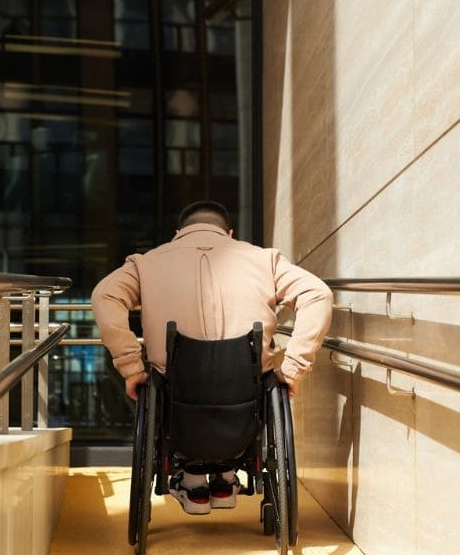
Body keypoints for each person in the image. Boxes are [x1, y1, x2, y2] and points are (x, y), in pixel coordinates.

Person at [91, 201, 333, 515]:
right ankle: (225, 478)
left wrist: (130, 366)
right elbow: (319, 294)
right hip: (246, 394)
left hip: (176, 394)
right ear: (229, 233)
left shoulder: (145, 263)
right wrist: (294, 366)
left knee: (157, 381)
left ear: (178, 234)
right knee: (258, 378)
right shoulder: (265, 260)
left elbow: (104, 295)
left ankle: (193, 483)